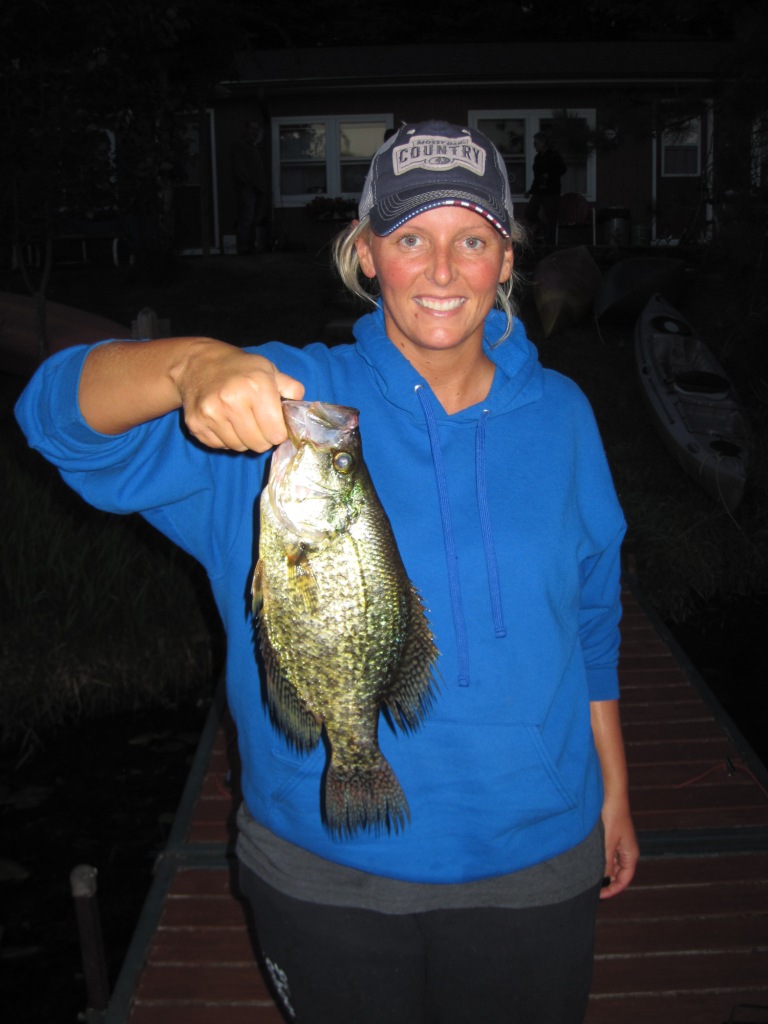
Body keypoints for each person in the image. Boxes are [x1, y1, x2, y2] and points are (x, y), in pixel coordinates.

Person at [15, 119, 638, 1024]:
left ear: (508, 259)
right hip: (326, 873)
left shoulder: (565, 414)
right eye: (409, 237)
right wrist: (193, 368)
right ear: (365, 254)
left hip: (540, 858)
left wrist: (614, 791)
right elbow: (53, 420)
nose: (440, 269)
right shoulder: (287, 403)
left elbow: (592, 612)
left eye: (471, 239)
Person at [523, 131, 567, 244]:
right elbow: (537, 177)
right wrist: (531, 191)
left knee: (551, 217)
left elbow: (562, 169)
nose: (534, 146)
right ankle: (543, 230)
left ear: (543, 143)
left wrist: (550, 175)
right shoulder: (538, 158)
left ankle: (550, 244)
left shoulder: (554, 156)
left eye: (536, 143)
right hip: (539, 191)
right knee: (529, 213)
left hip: (551, 191)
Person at [232, 119, 267, 254]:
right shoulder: (239, 146)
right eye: (252, 129)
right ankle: (243, 248)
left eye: (257, 129)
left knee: (254, 219)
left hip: (258, 188)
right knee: (246, 218)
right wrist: (250, 184)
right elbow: (239, 169)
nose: (255, 132)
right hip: (247, 189)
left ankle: (251, 247)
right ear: (246, 130)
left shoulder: (254, 147)